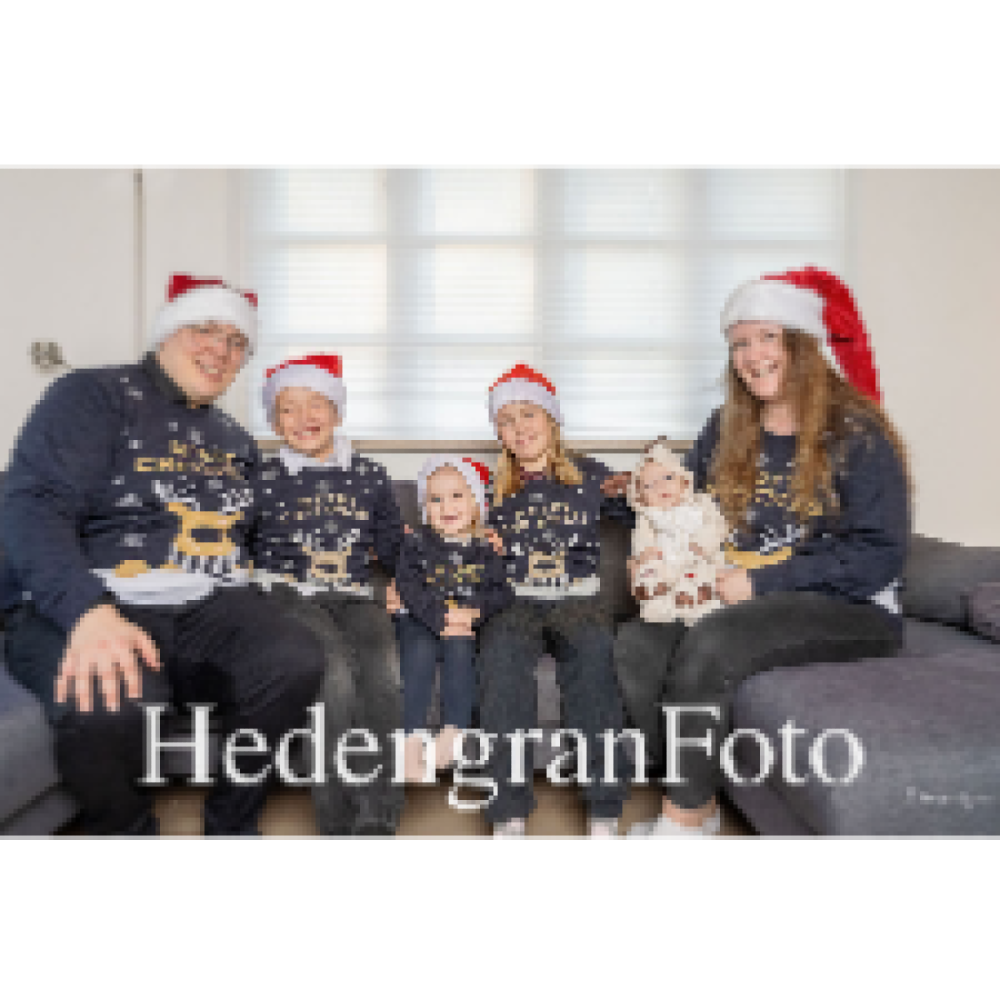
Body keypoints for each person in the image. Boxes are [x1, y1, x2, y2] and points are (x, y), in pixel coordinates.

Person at [0, 273, 325, 835]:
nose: (220, 349)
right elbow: (33, 504)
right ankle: (128, 832)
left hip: (207, 602)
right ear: (167, 332)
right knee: (109, 703)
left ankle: (231, 824)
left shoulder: (234, 438)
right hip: (100, 595)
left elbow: (250, 537)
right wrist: (86, 611)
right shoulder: (92, 395)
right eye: (205, 330)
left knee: (293, 657)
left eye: (236, 342)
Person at [611, 266, 911, 836]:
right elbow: (682, 504)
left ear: (802, 344)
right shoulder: (726, 427)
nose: (752, 356)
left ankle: (682, 823)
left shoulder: (858, 435)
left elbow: (879, 555)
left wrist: (760, 584)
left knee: (716, 640)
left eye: (767, 338)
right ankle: (698, 797)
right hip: (736, 591)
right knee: (639, 642)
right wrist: (635, 519)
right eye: (740, 344)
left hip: (850, 606)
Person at [476, 363, 633, 836]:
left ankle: (604, 806)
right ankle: (508, 809)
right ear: (498, 432)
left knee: (594, 661)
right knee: (500, 664)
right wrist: (478, 541)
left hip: (577, 598)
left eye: (529, 414)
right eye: (507, 420)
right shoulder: (490, 486)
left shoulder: (590, 475)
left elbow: (649, 512)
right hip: (513, 601)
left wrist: (636, 488)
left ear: (551, 420)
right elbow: (454, 535)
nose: (519, 428)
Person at [252, 354, 405, 835]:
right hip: (288, 595)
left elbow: (393, 545)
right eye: (289, 408)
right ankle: (336, 817)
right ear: (275, 422)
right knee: (333, 672)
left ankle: (378, 811)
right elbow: (234, 542)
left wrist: (410, 575)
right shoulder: (261, 479)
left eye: (316, 403)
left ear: (337, 412)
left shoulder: (370, 475)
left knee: (382, 670)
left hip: (356, 593)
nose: (304, 417)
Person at [394, 455, 512, 779]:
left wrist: (473, 612)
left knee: (461, 648)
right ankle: (411, 743)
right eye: (435, 499)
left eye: (457, 496)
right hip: (418, 617)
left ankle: (452, 733)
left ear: (475, 504)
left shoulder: (485, 548)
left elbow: (501, 591)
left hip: (462, 621)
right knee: (419, 652)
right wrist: (441, 617)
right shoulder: (417, 543)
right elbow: (408, 586)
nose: (446, 506)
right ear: (425, 507)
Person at [627, 438, 729, 626]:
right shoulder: (648, 516)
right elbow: (641, 537)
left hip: (695, 555)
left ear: (683, 481)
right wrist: (645, 552)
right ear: (641, 496)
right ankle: (654, 594)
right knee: (650, 569)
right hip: (665, 560)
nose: (661, 487)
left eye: (668, 478)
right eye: (650, 485)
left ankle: (696, 598)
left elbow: (717, 526)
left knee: (702, 572)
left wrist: (702, 544)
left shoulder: (702, 504)